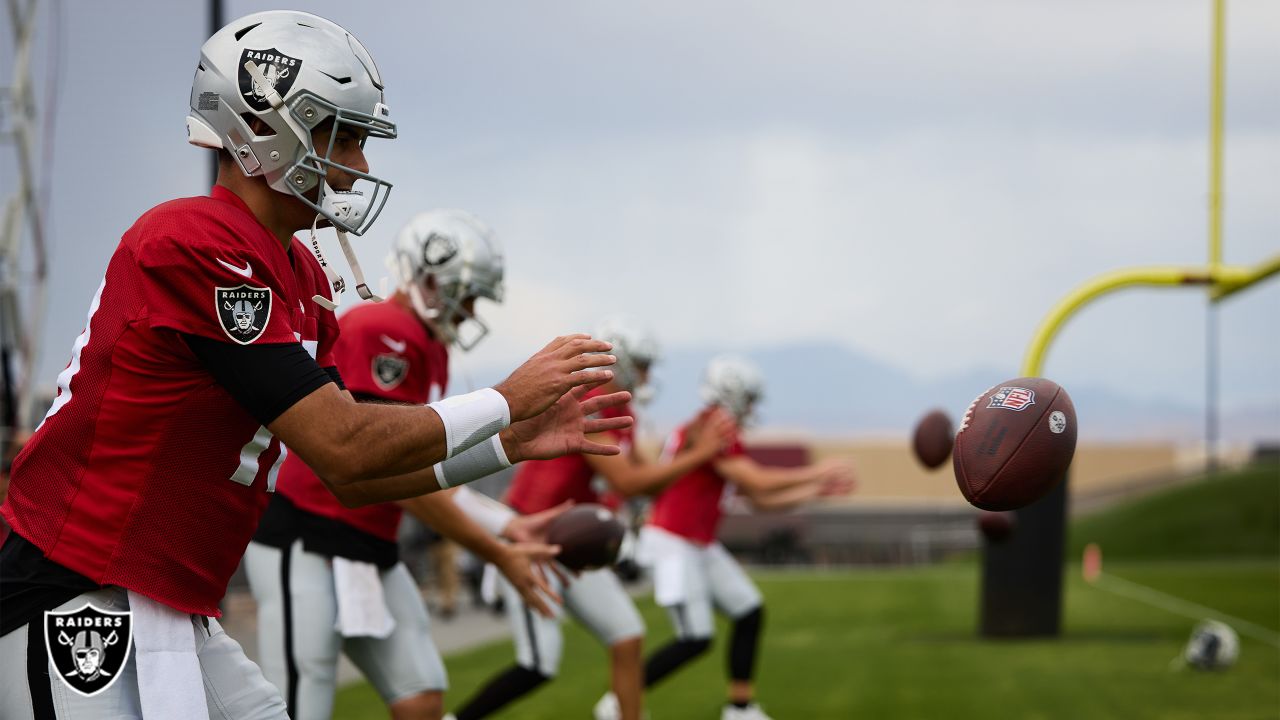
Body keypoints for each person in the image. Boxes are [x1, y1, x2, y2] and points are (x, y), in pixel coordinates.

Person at [0, 12, 629, 720]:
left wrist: (505, 445)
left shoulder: (299, 278)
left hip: (173, 602)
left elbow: (352, 476)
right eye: (344, 136)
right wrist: (506, 400)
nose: (358, 164)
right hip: (77, 588)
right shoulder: (192, 241)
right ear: (267, 128)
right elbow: (345, 442)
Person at [245, 209, 570, 720]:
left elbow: (427, 470)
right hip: (307, 536)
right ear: (431, 279)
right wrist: (495, 550)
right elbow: (389, 473)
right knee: (299, 703)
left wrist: (509, 524)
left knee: (421, 696)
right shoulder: (384, 329)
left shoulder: (427, 347)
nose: (468, 312)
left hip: (368, 537)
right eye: (465, 296)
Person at [450, 319, 737, 720]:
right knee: (537, 664)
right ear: (618, 360)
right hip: (535, 532)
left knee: (627, 635)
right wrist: (698, 455)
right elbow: (627, 481)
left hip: (571, 536)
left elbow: (646, 484)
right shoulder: (592, 396)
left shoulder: (619, 403)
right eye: (641, 365)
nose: (646, 375)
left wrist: (685, 454)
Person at [636, 355, 855, 720]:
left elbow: (760, 499)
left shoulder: (716, 426)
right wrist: (816, 471)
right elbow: (757, 481)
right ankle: (620, 699)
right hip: (672, 540)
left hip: (697, 542)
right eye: (749, 398)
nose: (752, 406)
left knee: (748, 612)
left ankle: (740, 709)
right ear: (732, 393)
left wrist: (817, 490)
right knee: (694, 639)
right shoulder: (711, 426)